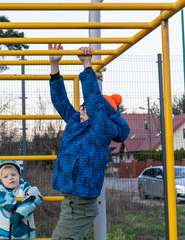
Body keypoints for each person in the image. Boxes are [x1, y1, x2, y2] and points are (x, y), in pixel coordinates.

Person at [48, 44, 130, 240]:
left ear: (100, 113)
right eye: (82, 106)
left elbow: (94, 102)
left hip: (81, 202)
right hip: (71, 197)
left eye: (87, 108)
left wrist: (87, 66)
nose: (82, 109)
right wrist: (54, 66)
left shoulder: (102, 129)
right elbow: (60, 101)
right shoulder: (76, 121)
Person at [0, 160, 43, 239]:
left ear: (19, 175)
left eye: (13, 174)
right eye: (6, 176)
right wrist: (15, 205)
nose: (11, 178)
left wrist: (20, 212)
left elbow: (35, 194)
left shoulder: (24, 187)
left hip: (23, 235)